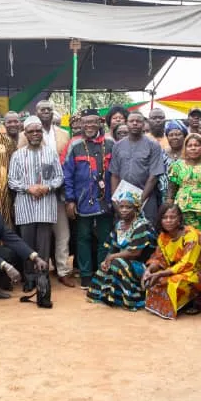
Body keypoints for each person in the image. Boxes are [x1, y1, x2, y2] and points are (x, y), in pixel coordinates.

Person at [24, 100, 74, 287]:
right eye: (42, 109)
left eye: (49, 109)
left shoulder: (64, 134)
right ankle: (36, 273)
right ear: (36, 112)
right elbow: (23, 158)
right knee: (39, 236)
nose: (46, 112)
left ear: (53, 112)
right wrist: (34, 187)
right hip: (35, 193)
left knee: (62, 233)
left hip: (57, 191)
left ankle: (63, 270)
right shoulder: (27, 133)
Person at [64, 109, 115, 288]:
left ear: (100, 123)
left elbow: (117, 171)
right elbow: (67, 174)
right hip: (83, 199)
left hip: (106, 199)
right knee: (83, 237)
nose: (90, 126)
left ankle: (102, 273)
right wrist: (70, 200)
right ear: (81, 124)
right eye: (86, 122)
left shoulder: (110, 143)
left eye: (93, 122)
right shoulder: (74, 145)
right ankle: (85, 274)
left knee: (104, 238)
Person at [9, 116, 64, 278]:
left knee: (44, 245)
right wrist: (28, 188)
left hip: (46, 206)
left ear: (42, 133)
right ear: (25, 134)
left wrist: (47, 187)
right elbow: (12, 180)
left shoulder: (51, 153)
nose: (35, 134)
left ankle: (42, 279)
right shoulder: (17, 155)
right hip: (25, 206)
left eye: (38, 131)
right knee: (27, 245)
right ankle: (29, 278)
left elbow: (59, 177)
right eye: (31, 131)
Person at [85, 192, 157, 309]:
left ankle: (130, 299)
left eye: (128, 207)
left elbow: (135, 253)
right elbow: (113, 247)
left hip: (141, 265)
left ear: (136, 209)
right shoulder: (119, 225)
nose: (124, 210)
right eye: (121, 207)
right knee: (105, 266)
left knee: (116, 263)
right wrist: (106, 260)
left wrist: (112, 257)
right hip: (123, 260)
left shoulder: (141, 225)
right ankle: (110, 297)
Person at [143, 203, 201, 319]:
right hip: (176, 269)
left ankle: (197, 299)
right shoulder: (162, 237)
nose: (168, 221)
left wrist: (160, 273)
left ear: (179, 219)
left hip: (199, 271)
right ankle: (179, 304)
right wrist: (149, 270)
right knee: (155, 281)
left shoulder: (191, 234)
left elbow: (187, 264)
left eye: (172, 217)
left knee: (172, 282)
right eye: (165, 217)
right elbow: (159, 259)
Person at [110, 112, 166, 224]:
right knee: (123, 229)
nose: (135, 123)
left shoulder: (153, 145)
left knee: (146, 229)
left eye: (138, 121)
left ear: (144, 124)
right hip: (123, 197)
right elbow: (114, 175)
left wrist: (139, 201)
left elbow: (154, 176)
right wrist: (114, 199)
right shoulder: (118, 146)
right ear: (126, 123)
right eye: (131, 121)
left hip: (147, 197)